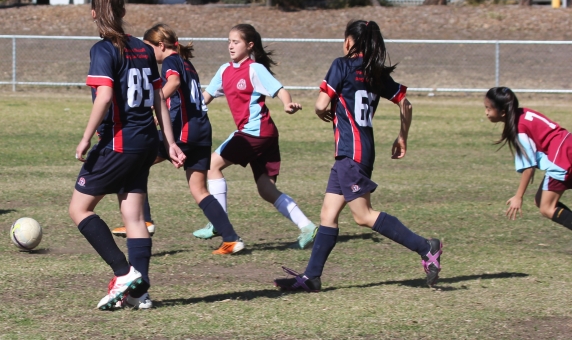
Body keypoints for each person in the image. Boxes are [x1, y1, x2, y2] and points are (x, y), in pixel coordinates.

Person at [275, 20, 442, 292]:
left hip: (351, 152)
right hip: (358, 152)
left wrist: (321, 112)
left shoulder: (341, 65)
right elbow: (406, 103)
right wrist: (402, 137)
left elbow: (320, 104)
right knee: (328, 213)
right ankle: (312, 277)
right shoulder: (374, 72)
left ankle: (427, 247)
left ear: (350, 42)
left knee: (363, 216)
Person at [69, 0, 185, 311]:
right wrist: (170, 142)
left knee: (79, 209)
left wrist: (85, 137)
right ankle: (139, 294)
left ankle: (123, 273)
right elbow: (160, 98)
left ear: (94, 13)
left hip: (119, 143)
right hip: (147, 141)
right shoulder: (145, 50)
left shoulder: (103, 50)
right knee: (133, 216)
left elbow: (104, 98)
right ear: (122, 12)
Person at [110, 24, 246, 255]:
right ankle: (232, 239)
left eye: (149, 48)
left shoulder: (172, 61)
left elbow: (172, 84)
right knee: (199, 189)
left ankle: (144, 222)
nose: (146, 54)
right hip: (202, 131)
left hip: (185, 130)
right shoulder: (187, 64)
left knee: (133, 163)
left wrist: (153, 102)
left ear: (161, 46)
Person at [198, 24, 318, 250]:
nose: (231, 46)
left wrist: (287, 104)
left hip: (256, 132)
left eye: (236, 42)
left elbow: (280, 90)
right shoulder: (224, 70)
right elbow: (205, 98)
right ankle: (308, 227)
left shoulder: (255, 69)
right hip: (261, 134)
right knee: (266, 189)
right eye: (229, 41)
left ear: (249, 45)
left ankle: (219, 223)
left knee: (212, 165)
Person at [484, 86, 572, 232]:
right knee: (540, 200)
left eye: (488, 108)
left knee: (547, 208)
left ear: (503, 112)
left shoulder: (520, 129)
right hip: (567, 148)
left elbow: (529, 168)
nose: (486, 112)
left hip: (562, 158)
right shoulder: (523, 113)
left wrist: (518, 196)